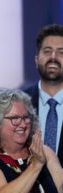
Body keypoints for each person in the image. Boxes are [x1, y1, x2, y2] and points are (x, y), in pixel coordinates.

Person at [24, 24, 63, 165]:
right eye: (47, 51)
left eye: (61, 52)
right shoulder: (19, 102)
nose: (53, 57)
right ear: (36, 59)